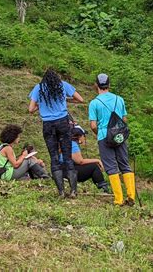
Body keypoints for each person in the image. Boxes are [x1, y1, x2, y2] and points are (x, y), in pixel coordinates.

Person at [29, 68, 84, 198]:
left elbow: (31, 109)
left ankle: (60, 192)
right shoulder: (63, 85)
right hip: (63, 123)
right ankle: (73, 191)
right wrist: (66, 99)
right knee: (67, 156)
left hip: (48, 125)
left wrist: (41, 105)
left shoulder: (39, 88)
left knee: (54, 157)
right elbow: (80, 99)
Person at [89, 73, 135, 206]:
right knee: (124, 164)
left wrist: (100, 133)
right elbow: (124, 119)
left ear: (96, 85)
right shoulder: (119, 99)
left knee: (111, 167)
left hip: (104, 136)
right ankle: (131, 196)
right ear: (109, 85)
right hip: (119, 136)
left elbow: (93, 125)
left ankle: (119, 199)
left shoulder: (94, 103)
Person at [70, 125, 110, 193]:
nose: (84, 138)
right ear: (79, 136)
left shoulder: (69, 143)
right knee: (94, 166)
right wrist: (97, 160)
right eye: (83, 135)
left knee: (91, 166)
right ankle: (103, 187)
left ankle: (102, 186)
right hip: (69, 170)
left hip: (66, 168)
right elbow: (80, 161)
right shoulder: (73, 144)